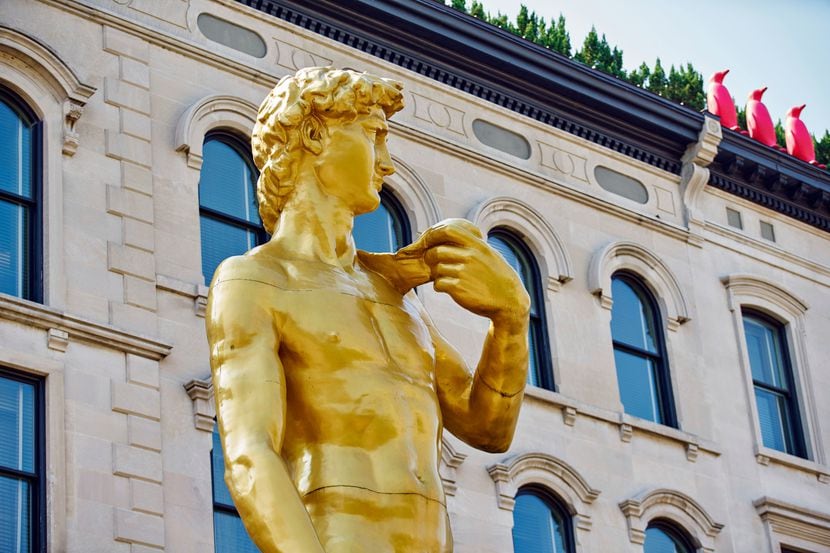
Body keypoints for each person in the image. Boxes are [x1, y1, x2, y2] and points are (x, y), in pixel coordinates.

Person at [206, 67, 530, 553]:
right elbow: (251, 455)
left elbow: (488, 429)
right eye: (375, 137)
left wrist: (511, 318)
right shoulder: (256, 282)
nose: (387, 164)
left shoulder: (395, 293)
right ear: (315, 135)